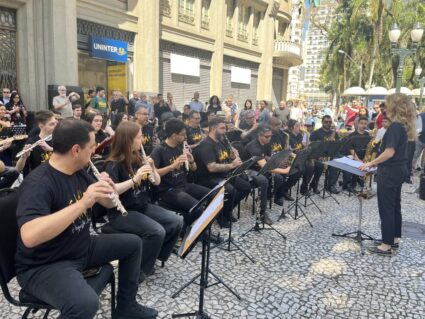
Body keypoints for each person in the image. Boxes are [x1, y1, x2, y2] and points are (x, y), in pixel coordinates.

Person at [15, 119, 158, 319]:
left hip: (79, 246)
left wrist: (107, 191)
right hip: (45, 263)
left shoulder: (78, 171)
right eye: (91, 147)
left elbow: (107, 203)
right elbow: (30, 236)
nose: (94, 152)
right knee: (86, 304)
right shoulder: (38, 183)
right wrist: (82, 203)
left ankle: (127, 308)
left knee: (133, 244)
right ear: (76, 150)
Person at [104, 121, 183, 279]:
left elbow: (157, 182)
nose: (143, 140)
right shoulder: (113, 163)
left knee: (177, 221)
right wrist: (136, 178)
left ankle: (153, 256)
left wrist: (152, 168)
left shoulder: (138, 157)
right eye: (139, 137)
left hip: (142, 206)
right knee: (157, 231)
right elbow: (111, 192)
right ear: (128, 140)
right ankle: (138, 270)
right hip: (122, 212)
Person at [360, 93, 416, 255]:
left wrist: (370, 163)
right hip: (399, 170)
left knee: (386, 207)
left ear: (394, 107)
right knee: (395, 205)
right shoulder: (402, 126)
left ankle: (386, 245)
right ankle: (394, 238)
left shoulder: (394, 127)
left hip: (390, 172)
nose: (384, 108)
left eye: (387, 104)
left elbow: (389, 152)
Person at [151, 119, 210, 231]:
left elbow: (194, 169)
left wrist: (191, 160)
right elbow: (153, 173)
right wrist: (171, 167)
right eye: (183, 134)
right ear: (174, 135)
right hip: (168, 189)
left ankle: (191, 227)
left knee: (212, 195)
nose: (185, 136)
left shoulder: (180, 147)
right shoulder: (159, 150)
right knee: (197, 208)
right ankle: (182, 228)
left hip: (183, 184)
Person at [193, 117, 251, 228]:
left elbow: (223, 158)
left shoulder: (221, 141)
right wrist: (232, 165)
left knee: (246, 187)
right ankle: (221, 216)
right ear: (214, 128)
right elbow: (211, 167)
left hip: (223, 175)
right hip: (208, 178)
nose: (225, 130)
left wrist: (231, 156)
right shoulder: (206, 145)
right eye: (222, 128)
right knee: (231, 190)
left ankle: (226, 210)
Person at [245, 125, 291, 224]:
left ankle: (265, 198)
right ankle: (262, 213)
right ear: (259, 136)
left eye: (270, 136)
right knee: (264, 180)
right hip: (249, 170)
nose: (269, 138)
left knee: (279, 178)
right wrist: (285, 170)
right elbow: (266, 168)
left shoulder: (266, 143)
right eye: (267, 136)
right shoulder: (254, 146)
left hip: (260, 168)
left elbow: (268, 158)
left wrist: (281, 163)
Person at [16, 110, 57, 176]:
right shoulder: (31, 142)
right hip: (39, 179)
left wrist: (50, 149)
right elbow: (18, 169)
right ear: (41, 126)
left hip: (56, 177)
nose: (56, 126)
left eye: (56, 123)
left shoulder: (59, 138)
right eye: (52, 124)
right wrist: (23, 157)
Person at [309, 115, 340, 194]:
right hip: (318, 156)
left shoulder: (333, 133)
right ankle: (314, 184)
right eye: (326, 122)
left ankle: (331, 185)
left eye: (330, 122)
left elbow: (338, 144)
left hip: (330, 155)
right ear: (322, 122)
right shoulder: (316, 133)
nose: (328, 123)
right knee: (320, 165)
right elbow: (311, 145)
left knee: (336, 163)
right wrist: (317, 155)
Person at [341, 116, 370, 193]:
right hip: (353, 156)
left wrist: (365, 159)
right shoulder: (352, 135)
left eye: (365, 124)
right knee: (352, 162)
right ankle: (348, 184)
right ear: (357, 124)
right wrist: (358, 160)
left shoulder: (368, 135)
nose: (363, 125)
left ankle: (358, 179)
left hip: (363, 156)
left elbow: (368, 148)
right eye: (361, 123)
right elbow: (351, 149)